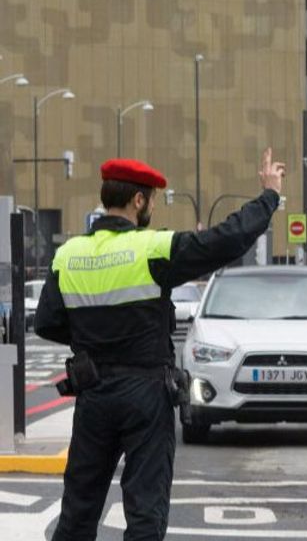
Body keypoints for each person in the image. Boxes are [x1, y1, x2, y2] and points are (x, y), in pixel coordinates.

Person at [35, 148, 286, 540]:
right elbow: (226, 240)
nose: (151, 206)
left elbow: (47, 322)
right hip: (145, 395)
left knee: (78, 512)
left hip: (93, 394)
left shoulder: (68, 255)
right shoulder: (152, 248)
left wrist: (92, 336)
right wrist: (269, 196)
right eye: (151, 199)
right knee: (144, 514)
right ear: (138, 200)